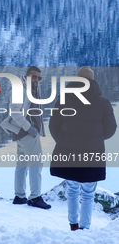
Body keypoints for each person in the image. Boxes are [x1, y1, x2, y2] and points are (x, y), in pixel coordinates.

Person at [49, 66, 117, 230]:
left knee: (72, 190)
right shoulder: (103, 103)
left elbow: (53, 126)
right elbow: (111, 129)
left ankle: (73, 224)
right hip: (92, 156)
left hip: (68, 154)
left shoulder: (64, 99)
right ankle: (84, 228)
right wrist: (95, 140)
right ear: (93, 82)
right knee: (88, 193)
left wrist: (64, 141)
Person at [2, 66, 51, 209]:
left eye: (39, 77)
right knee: (36, 164)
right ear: (26, 76)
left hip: (23, 133)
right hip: (27, 132)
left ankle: (19, 196)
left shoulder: (33, 89)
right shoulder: (20, 89)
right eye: (33, 77)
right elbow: (15, 112)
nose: (36, 80)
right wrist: (30, 128)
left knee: (22, 164)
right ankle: (35, 197)